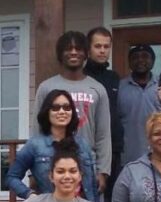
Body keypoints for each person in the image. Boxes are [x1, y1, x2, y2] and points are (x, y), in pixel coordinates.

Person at [34, 31, 112, 193]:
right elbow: (38, 130)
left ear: (86, 54)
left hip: (87, 162)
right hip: (52, 161)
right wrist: (32, 170)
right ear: (60, 54)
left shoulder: (97, 89)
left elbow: (103, 134)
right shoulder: (46, 87)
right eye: (68, 49)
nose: (74, 52)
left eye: (78, 49)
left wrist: (103, 171)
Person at [6, 89, 99, 202]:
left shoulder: (83, 144)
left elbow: (92, 187)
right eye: (55, 108)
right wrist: (29, 194)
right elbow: (12, 177)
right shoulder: (35, 145)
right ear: (47, 112)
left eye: (67, 107)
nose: (62, 111)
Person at [83, 27, 123, 202]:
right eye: (97, 46)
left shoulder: (114, 78)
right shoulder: (81, 77)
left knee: (112, 201)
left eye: (106, 46)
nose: (102, 50)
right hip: (87, 148)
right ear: (88, 49)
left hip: (113, 147)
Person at [118, 44, 161, 164]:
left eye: (145, 56)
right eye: (135, 57)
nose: (140, 60)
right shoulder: (119, 88)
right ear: (129, 62)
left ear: (153, 61)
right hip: (129, 158)